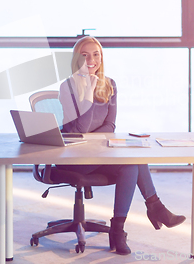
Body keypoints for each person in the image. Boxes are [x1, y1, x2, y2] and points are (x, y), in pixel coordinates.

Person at [57, 35, 186, 255]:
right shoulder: (67, 87)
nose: (92, 59)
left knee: (132, 164)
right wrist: (88, 90)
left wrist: (97, 142)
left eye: (96, 54)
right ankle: (155, 207)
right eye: (85, 55)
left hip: (98, 154)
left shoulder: (110, 85)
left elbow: (110, 125)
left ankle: (118, 230)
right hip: (74, 158)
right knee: (132, 162)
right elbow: (79, 129)